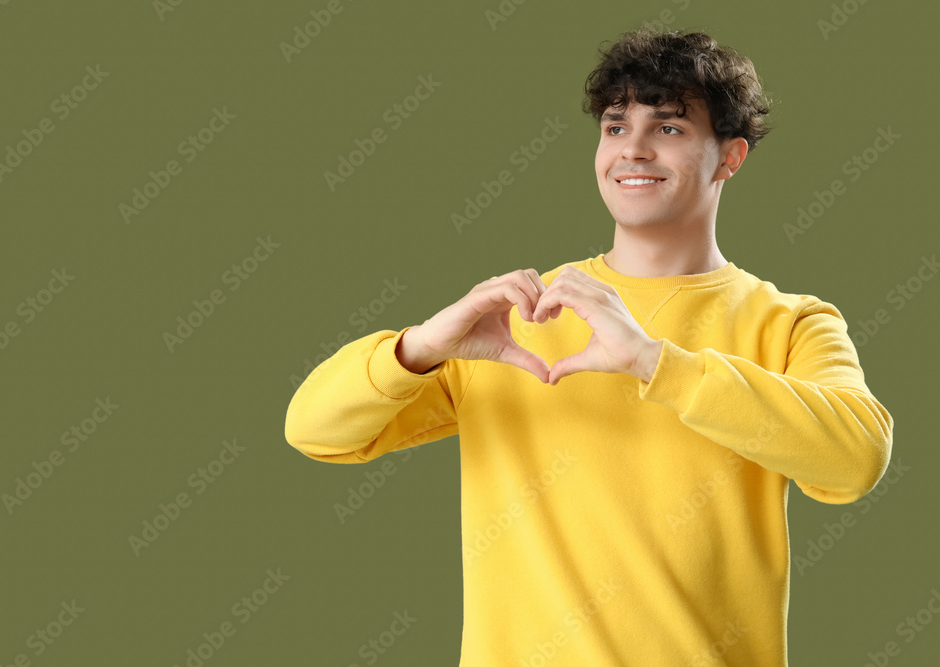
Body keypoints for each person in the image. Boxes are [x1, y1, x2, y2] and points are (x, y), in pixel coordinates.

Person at [284, 26, 894, 666]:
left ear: (730, 157)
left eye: (669, 128)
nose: (631, 150)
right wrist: (419, 346)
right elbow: (315, 430)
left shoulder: (791, 322)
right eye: (614, 127)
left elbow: (856, 461)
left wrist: (653, 362)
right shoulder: (516, 316)